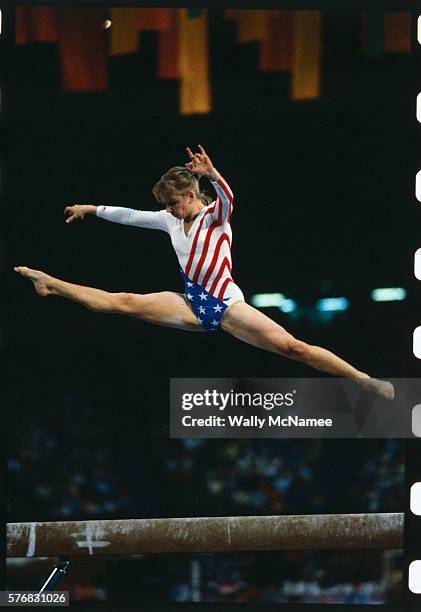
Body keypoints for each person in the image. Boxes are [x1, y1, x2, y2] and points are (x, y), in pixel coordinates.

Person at [15, 145, 394, 399]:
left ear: (192, 196)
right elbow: (129, 216)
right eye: (165, 204)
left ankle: (363, 380)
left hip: (227, 305)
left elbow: (229, 197)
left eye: (173, 203)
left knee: (295, 348)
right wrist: (91, 207)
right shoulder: (168, 220)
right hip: (191, 302)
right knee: (124, 302)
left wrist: (213, 173)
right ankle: (51, 284)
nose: (168, 209)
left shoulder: (216, 218)